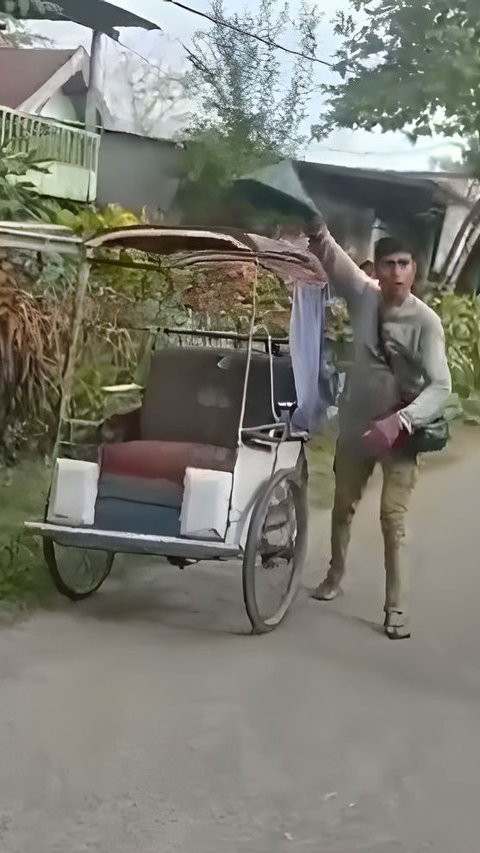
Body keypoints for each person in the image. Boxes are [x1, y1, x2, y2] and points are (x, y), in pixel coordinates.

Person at [308, 224, 451, 639]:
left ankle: (395, 607)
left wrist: (402, 420)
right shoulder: (363, 295)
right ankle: (335, 574)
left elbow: (441, 385)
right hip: (356, 426)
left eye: (403, 263)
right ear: (379, 268)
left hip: (401, 432)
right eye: (388, 264)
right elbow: (333, 256)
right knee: (342, 507)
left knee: (393, 519)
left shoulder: (426, 322)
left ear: (414, 268)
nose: (395, 272)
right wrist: (314, 228)